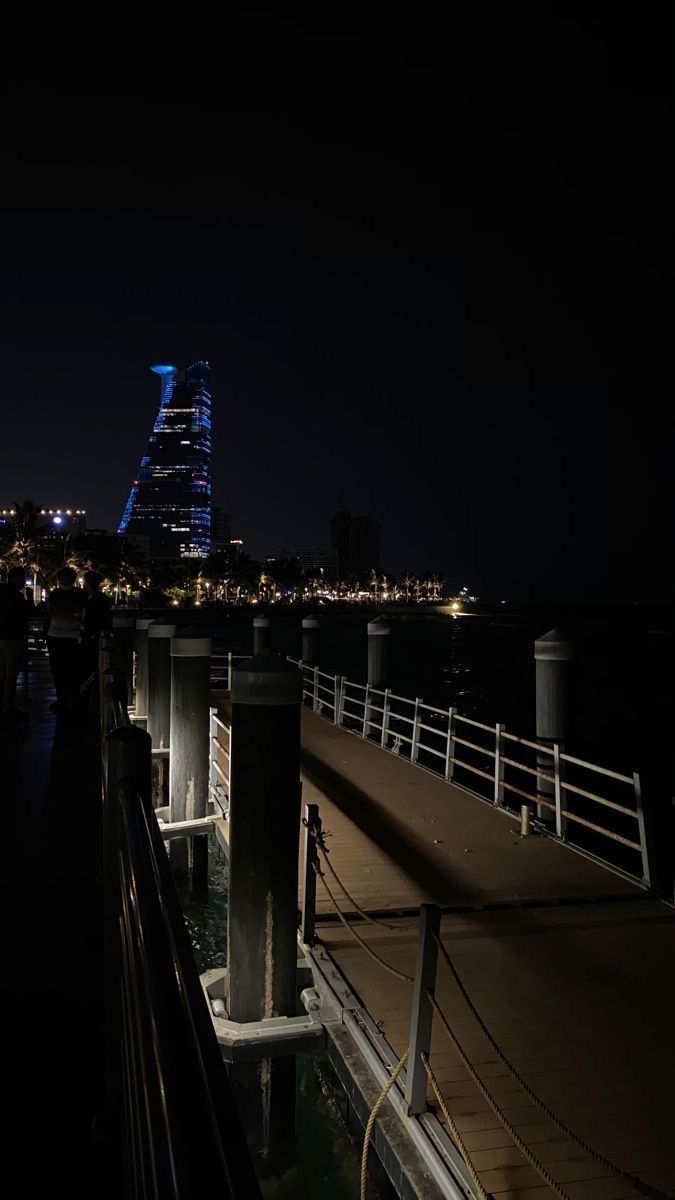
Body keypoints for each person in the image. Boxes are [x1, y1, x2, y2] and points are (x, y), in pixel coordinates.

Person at [43, 567, 85, 714]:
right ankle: (73, 700)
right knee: (73, 671)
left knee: (59, 671)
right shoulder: (80, 594)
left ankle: (63, 700)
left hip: (56, 635)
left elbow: (48, 615)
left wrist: (45, 633)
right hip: (72, 637)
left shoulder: (55, 594)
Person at [0, 566, 32, 720]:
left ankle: (4, 705)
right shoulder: (16, 596)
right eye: (23, 578)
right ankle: (9, 707)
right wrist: (29, 598)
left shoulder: (1, 592)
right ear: (17, 579)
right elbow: (29, 611)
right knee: (11, 675)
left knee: (2, 673)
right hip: (12, 638)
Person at [79, 570, 112, 703]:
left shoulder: (93, 600)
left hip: (92, 639)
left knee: (89, 668)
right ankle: (91, 695)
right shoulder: (101, 599)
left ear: (87, 583)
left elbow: (92, 622)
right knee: (93, 668)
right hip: (96, 637)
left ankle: (88, 696)